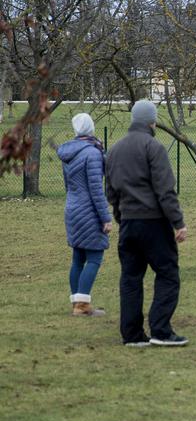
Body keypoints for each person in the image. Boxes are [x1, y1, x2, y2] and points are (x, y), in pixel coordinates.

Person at [105, 100, 189, 347]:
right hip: (153, 222)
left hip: (129, 223)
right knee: (167, 273)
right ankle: (161, 330)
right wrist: (178, 222)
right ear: (152, 121)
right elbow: (165, 190)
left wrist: (121, 218)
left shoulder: (114, 150)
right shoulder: (154, 147)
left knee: (130, 278)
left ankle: (131, 335)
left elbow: (110, 191)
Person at [57, 113, 113, 317]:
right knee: (95, 257)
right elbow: (96, 189)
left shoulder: (68, 152)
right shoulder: (93, 153)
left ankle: (76, 302)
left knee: (78, 257)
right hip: (89, 210)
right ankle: (81, 305)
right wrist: (106, 218)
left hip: (72, 208)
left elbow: (68, 185)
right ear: (91, 128)